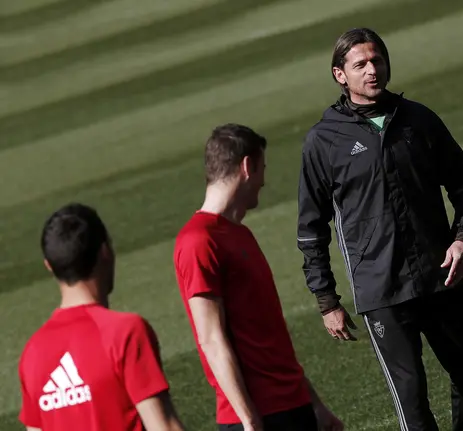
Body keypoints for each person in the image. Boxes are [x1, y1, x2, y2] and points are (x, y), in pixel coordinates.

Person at [296, 27, 463, 431]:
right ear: (340, 74)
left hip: (442, 277)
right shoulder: (323, 141)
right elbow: (311, 228)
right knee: (413, 404)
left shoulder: (419, 120)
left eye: (377, 60)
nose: (372, 70)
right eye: (360, 64)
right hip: (381, 290)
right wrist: (326, 299)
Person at [173, 124, 343, 431]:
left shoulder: (241, 235)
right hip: (258, 417)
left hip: (292, 406)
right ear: (247, 166)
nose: (264, 181)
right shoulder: (198, 241)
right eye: (263, 168)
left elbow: (268, 336)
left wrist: (315, 404)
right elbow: (211, 338)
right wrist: (248, 419)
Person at [17, 203, 186, 431]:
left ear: (49, 266)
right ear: (105, 252)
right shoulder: (125, 332)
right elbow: (163, 427)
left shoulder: (33, 353)